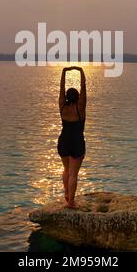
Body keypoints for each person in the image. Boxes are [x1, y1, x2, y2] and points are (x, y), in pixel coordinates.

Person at [57, 66, 87, 208]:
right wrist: (80, 71)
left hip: (63, 141)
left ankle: (67, 194)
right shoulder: (80, 108)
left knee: (67, 170)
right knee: (73, 174)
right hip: (76, 141)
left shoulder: (63, 107)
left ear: (67, 97)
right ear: (78, 97)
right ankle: (71, 202)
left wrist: (64, 72)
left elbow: (61, 88)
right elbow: (84, 87)